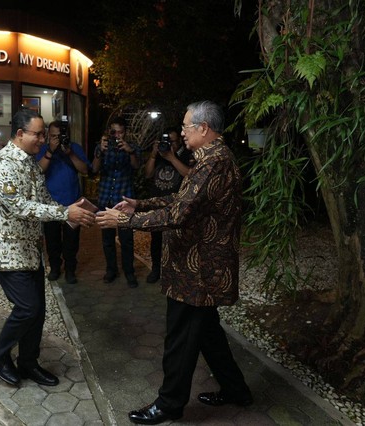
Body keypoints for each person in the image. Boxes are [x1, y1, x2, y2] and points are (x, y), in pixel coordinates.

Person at [96, 101, 252, 424]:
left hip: (197, 272)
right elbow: (182, 199)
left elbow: (178, 214)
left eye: (186, 126)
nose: (181, 131)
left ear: (204, 129)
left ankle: (169, 404)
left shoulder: (214, 163)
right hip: (197, 269)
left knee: (180, 338)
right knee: (208, 333)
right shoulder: (210, 159)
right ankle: (237, 391)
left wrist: (125, 222)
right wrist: (139, 203)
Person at [0, 109, 96, 387]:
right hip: (6, 251)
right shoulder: (2, 164)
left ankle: (29, 363)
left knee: (38, 312)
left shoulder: (31, 164)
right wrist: (65, 214)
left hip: (30, 251)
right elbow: (19, 207)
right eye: (39, 134)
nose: (43, 139)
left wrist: (72, 213)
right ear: (20, 134)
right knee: (27, 308)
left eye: (44, 133)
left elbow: (45, 199)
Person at [36, 120, 92, 285]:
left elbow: (85, 170)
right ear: (47, 135)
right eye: (53, 136)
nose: (57, 139)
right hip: (50, 204)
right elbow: (39, 171)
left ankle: (70, 270)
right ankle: (54, 268)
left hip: (72, 203)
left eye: (60, 136)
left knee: (71, 241)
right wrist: (51, 151)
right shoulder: (43, 149)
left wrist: (69, 153)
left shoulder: (74, 148)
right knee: (52, 240)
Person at [91, 117, 141, 288]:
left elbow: (136, 167)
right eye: (114, 132)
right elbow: (95, 169)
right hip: (106, 198)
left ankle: (129, 272)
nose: (117, 135)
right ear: (109, 132)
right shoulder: (102, 147)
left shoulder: (132, 148)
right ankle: (111, 269)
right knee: (107, 239)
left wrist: (130, 151)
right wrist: (100, 152)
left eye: (120, 132)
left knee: (126, 239)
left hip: (124, 200)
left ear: (125, 132)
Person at [143, 127, 193, 283]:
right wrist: (153, 155)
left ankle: (177, 271)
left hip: (177, 206)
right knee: (156, 239)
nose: (168, 144)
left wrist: (172, 158)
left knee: (177, 239)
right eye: (165, 141)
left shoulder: (187, 155)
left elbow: (190, 176)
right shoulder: (158, 155)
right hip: (157, 204)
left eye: (171, 141)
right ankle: (156, 269)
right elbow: (147, 174)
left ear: (179, 141)